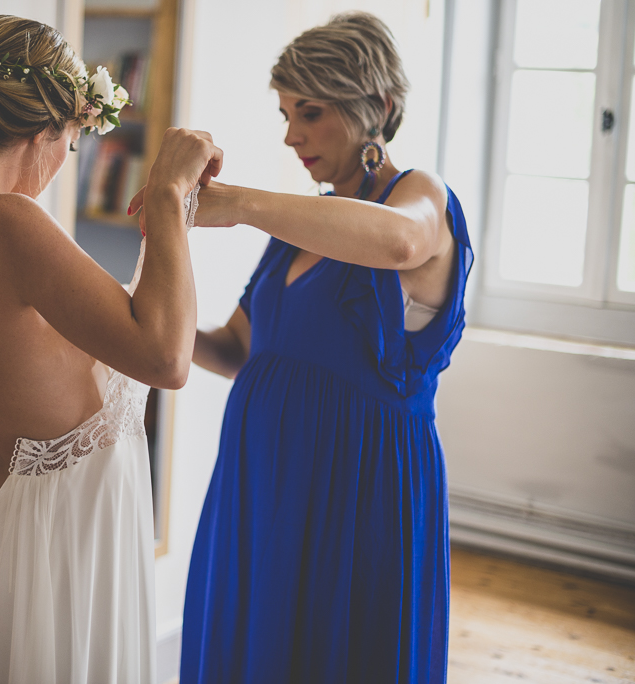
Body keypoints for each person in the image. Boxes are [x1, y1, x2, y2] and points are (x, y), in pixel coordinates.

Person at [0, 15, 221, 683]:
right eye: (73, 141)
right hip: (57, 546)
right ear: (45, 129)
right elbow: (167, 359)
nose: (67, 160)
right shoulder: (7, 222)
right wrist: (172, 193)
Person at [148, 11, 472, 683]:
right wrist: (137, 324)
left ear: (377, 107)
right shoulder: (300, 229)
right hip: (260, 484)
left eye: (311, 112)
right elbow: (237, 349)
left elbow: (401, 242)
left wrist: (233, 202)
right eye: (286, 113)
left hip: (359, 489)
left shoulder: (421, 196)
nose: (292, 135)